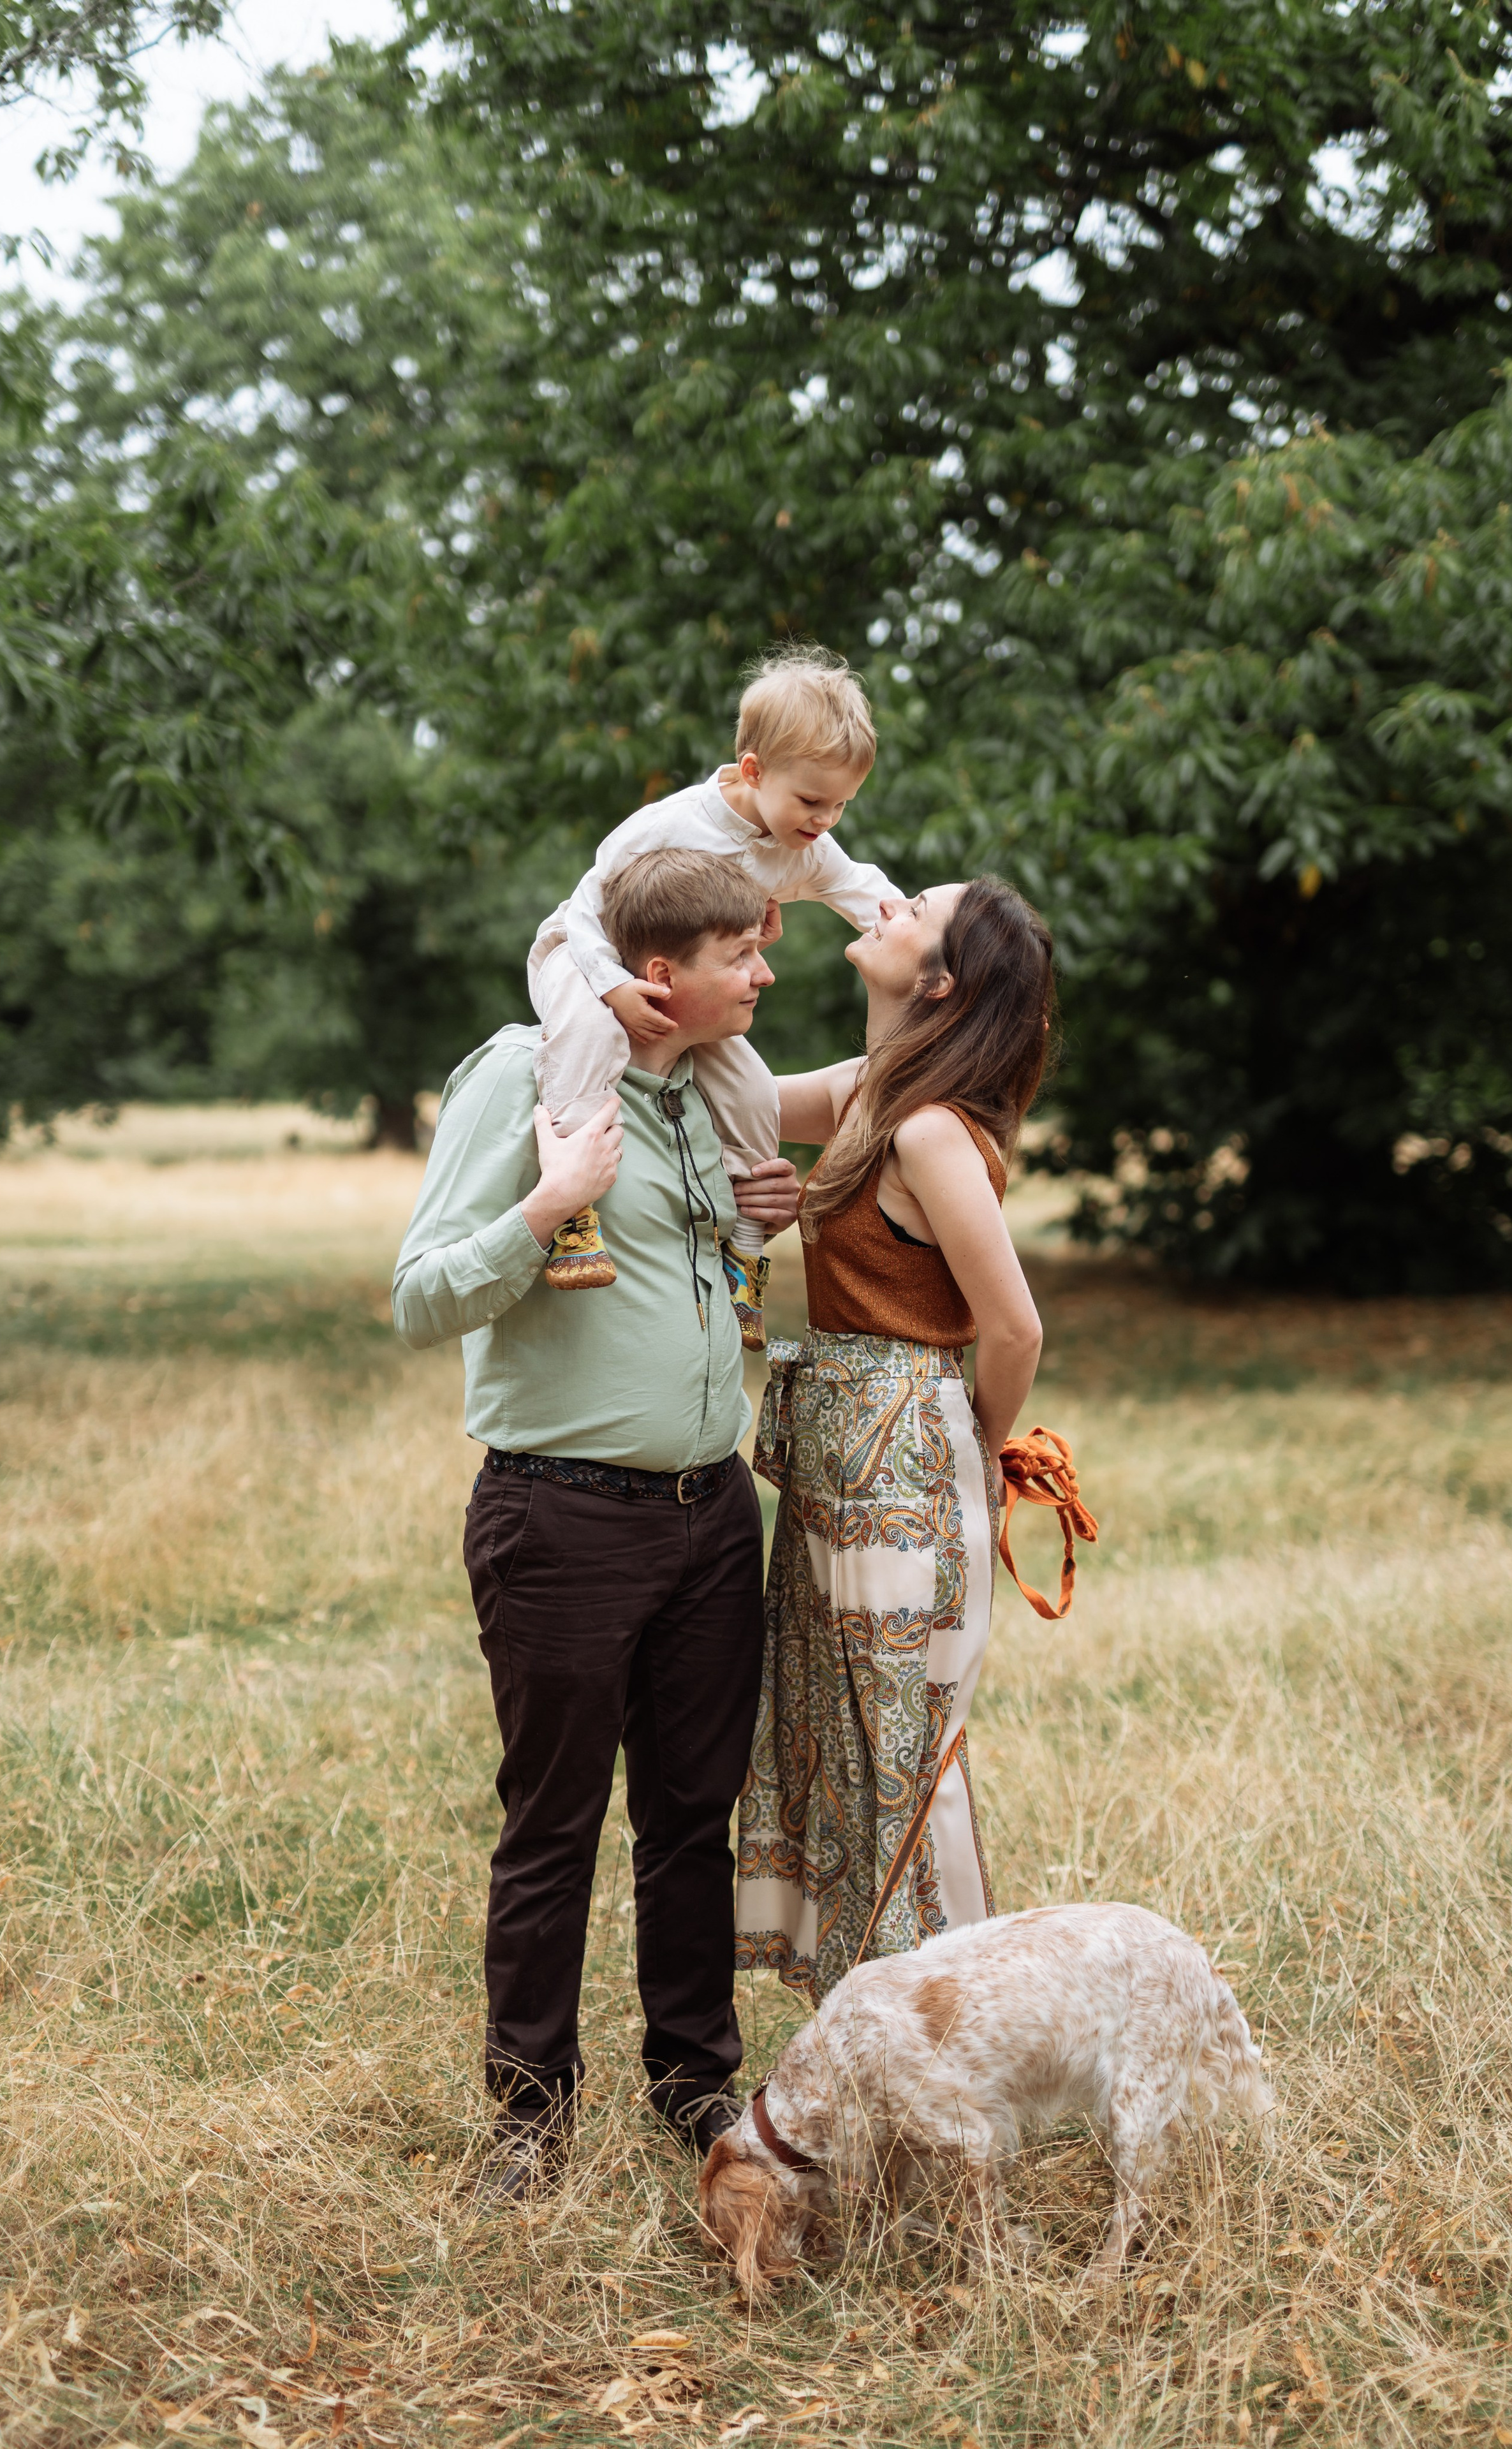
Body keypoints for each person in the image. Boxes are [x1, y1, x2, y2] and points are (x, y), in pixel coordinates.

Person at [393, 848, 801, 2195]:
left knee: (693, 1820)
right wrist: (548, 1205)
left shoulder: (707, 1097)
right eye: (741, 953)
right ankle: (528, 2117)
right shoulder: (523, 1074)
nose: (763, 971)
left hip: (709, 1516)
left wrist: (761, 1233)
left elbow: (714, 1277)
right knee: (552, 1823)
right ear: (655, 973)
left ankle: (694, 2086)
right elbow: (418, 1297)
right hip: (560, 1516)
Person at [735, 876, 1054, 2005]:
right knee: (839, 1730)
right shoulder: (876, 1091)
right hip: (839, 1459)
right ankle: (870, 2020)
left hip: (903, 1459)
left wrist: (969, 1439)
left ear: (939, 981)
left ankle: (952, 2031)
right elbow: (744, 1093)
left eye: (912, 903)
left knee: (902, 1757)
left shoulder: (926, 1129)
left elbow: (1013, 1323)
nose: (882, 898)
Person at [524, 645, 908, 1347]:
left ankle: (744, 1256)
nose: (825, 820)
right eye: (812, 800)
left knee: (754, 1093)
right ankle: (574, 1213)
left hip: (683, 986)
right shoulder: (673, 823)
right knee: (593, 1036)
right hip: (588, 956)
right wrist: (611, 985)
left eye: (843, 805)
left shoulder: (805, 849)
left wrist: (944, 955)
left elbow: (872, 898)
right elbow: (585, 905)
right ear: (754, 771)